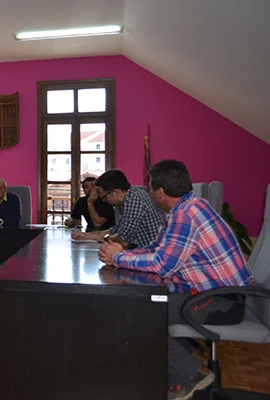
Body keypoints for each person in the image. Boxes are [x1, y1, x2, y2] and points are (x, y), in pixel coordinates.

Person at [98, 160, 254, 399]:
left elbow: (163, 264)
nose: (149, 193)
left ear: (160, 192)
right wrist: (121, 255)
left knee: (146, 311)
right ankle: (189, 360)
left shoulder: (185, 215)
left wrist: (118, 257)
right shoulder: (186, 208)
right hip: (214, 294)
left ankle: (192, 374)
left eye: (150, 188)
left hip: (223, 300)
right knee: (148, 305)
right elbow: (158, 248)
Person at [71, 169, 163, 248]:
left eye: (104, 197)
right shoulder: (125, 199)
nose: (104, 200)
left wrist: (102, 238)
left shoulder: (134, 199)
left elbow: (122, 239)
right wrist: (86, 236)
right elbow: (116, 230)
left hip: (151, 252)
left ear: (116, 192)